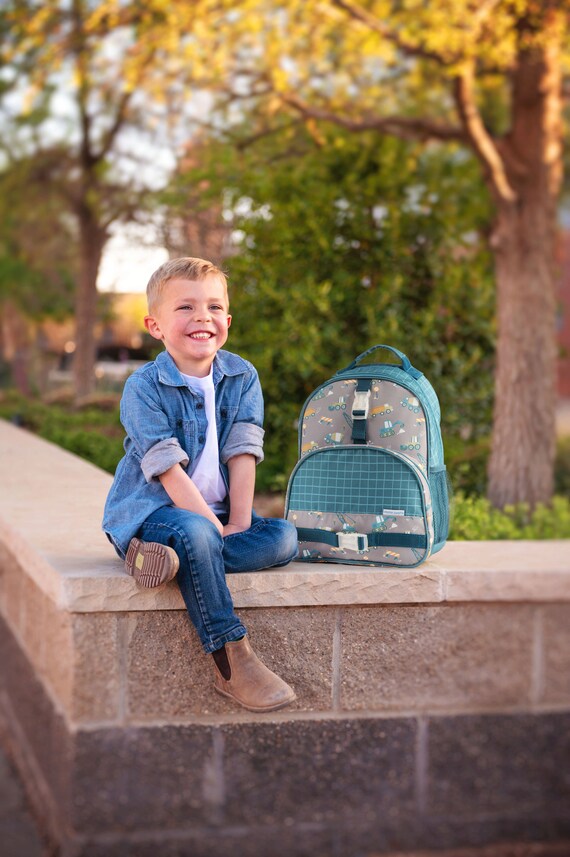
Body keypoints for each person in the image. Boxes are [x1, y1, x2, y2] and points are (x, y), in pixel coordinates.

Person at [102, 257, 299, 712]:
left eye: (213, 307)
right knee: (196, 534)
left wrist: (241, 522)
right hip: (157, 516)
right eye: (185, 308)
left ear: (227, 320)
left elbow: (243, 452)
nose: (202, 317)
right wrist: (210, 527)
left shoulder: (242, 375)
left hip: (218, 518)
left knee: (285, 537)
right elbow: (168, 470)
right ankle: (232, 662)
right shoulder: (144, 387)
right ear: (155, 325)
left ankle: (177, 562)